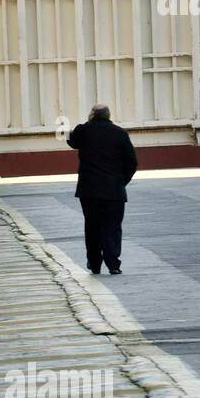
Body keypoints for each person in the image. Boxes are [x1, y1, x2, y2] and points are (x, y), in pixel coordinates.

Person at [66, 104, 137, 275]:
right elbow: (132, 163)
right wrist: (121, 182)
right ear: (109, 115)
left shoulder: (83, 130)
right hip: (114, 190)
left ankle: (95, 263)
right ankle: (113, 264)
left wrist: (81, 124)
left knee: (92, 227)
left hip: (89, 191)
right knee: (112, 226)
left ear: (92, 115)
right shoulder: (120, 133)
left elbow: (71, 141)